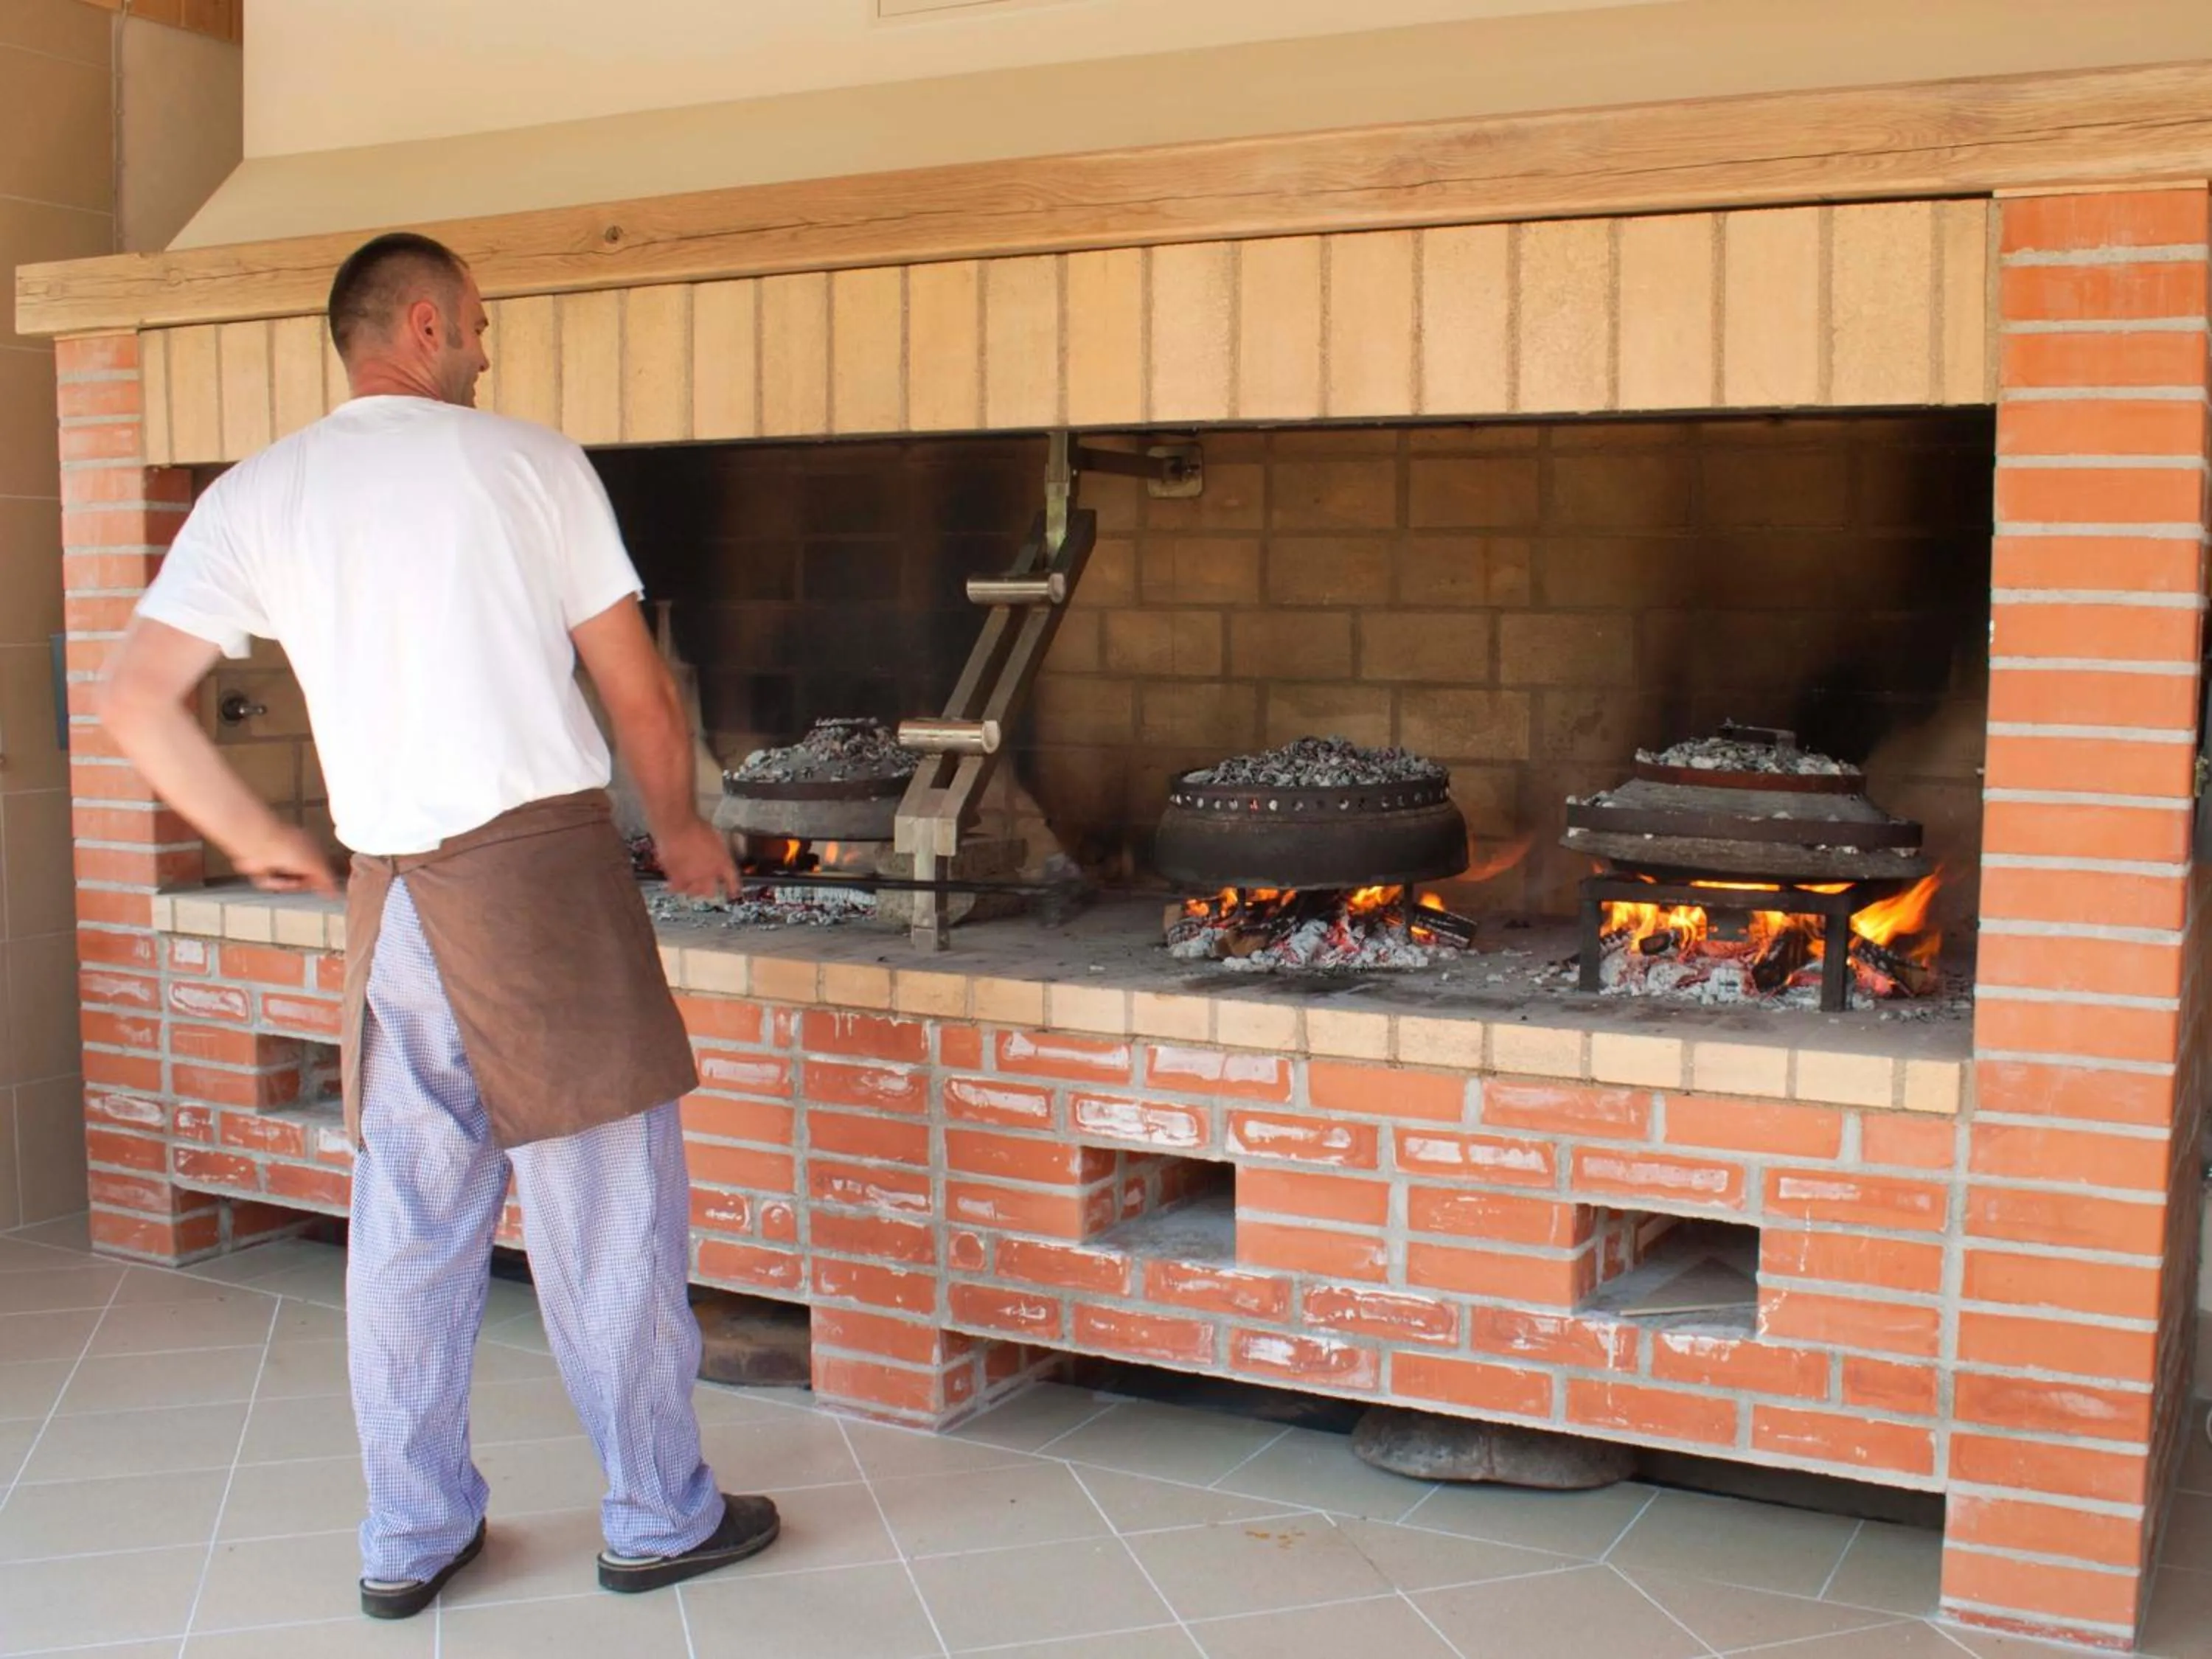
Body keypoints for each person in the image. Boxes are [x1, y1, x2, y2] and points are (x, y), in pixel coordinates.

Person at [98, 232, 780, 1618]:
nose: (486, 345)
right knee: (607, 1220)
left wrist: (260, 840)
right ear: (420, 322)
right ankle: (658, 1512)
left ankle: (409, 1534)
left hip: (389, 894)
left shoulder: (259, 493)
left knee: (409, 1223)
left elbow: (126, 699)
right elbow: (638, 695)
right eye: (476, 322)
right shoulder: (530, 464)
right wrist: (686, 824)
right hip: (538, 890)